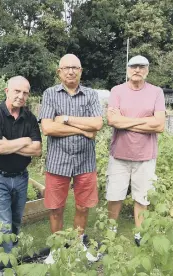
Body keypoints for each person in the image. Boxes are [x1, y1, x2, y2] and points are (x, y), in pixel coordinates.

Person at [39, 54, 103, 264]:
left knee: (83, 206)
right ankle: (56, 249)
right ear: (59, 72)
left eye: (75, 67)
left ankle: (78, 245)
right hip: (58, 162)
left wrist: (65, 120)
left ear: (81, 71)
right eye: (66, 68)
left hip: (85, 162)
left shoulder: (91, 94)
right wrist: (83, 130)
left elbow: (97, 125)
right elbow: (48, 127)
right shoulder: (50, 94)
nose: (71, 71)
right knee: (56, 208)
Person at [106, 55, 166, 246]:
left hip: (146, 155)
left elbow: (159, 126)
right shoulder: (117, 91)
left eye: (141, 67)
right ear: (127, 69)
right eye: (133, 66)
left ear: (147, 70)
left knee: (142, 196)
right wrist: (144, 121)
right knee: (115, 195)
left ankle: (140, 233)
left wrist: (126, 122)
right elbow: (112, 121)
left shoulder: (156, 92)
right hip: (119, 155)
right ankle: (111, 230)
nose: (137, 70)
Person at [0, 76, 42, 254]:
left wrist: (10, 144)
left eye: (25, 93)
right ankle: (5, 269)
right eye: (17, 91)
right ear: (7, 91)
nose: (21, 96)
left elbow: (37, 149)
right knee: (3, 226)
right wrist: (25, 141)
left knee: (15, 222)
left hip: (21, 178)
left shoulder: (29, 117)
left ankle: (9, 257)